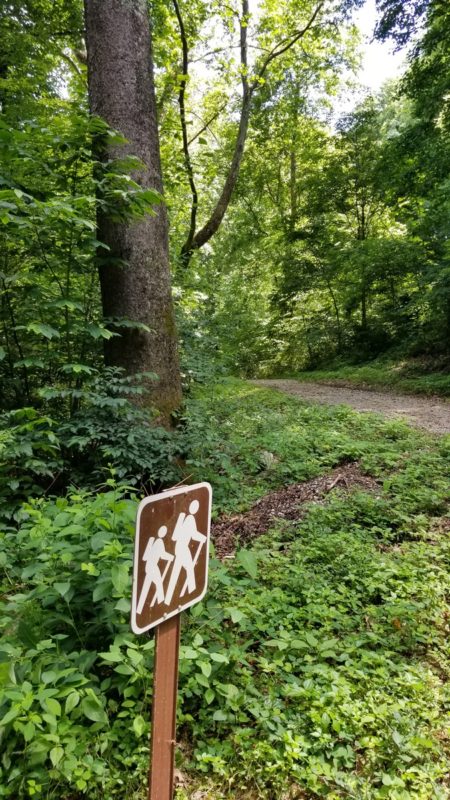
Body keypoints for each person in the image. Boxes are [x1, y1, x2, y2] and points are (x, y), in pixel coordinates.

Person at [164, 500, 206, 606]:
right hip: (182, 547)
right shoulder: (190, 519)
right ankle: (191, 593)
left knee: (178, 570)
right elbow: (193, 534)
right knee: (188, 569)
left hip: (179, 546)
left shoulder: (184, 518)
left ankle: (169, 597)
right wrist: (203, 538)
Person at [137, 525, 174, 613]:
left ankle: (139, 608)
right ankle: (161, 606)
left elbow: (145, 558)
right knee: (159, 585)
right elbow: (162, 554)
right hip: (153, 566)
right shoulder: (159, 541)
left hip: (148, 566)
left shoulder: (152, 540)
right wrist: (171, 557)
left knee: (146, 586)